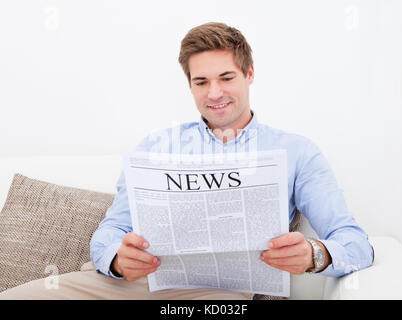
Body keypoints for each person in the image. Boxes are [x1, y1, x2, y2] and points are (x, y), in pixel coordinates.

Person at [0, 22, 373, 300]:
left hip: (217, 294)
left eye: (226, 77)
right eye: (201, 82)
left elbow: (355, 243)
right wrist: (116, 258)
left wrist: (314, 254)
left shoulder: (297, 152)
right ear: (190, 84)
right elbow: (110, 230)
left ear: (249, 74)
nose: (215, 94)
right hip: (131, 285)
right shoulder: (156, 147)